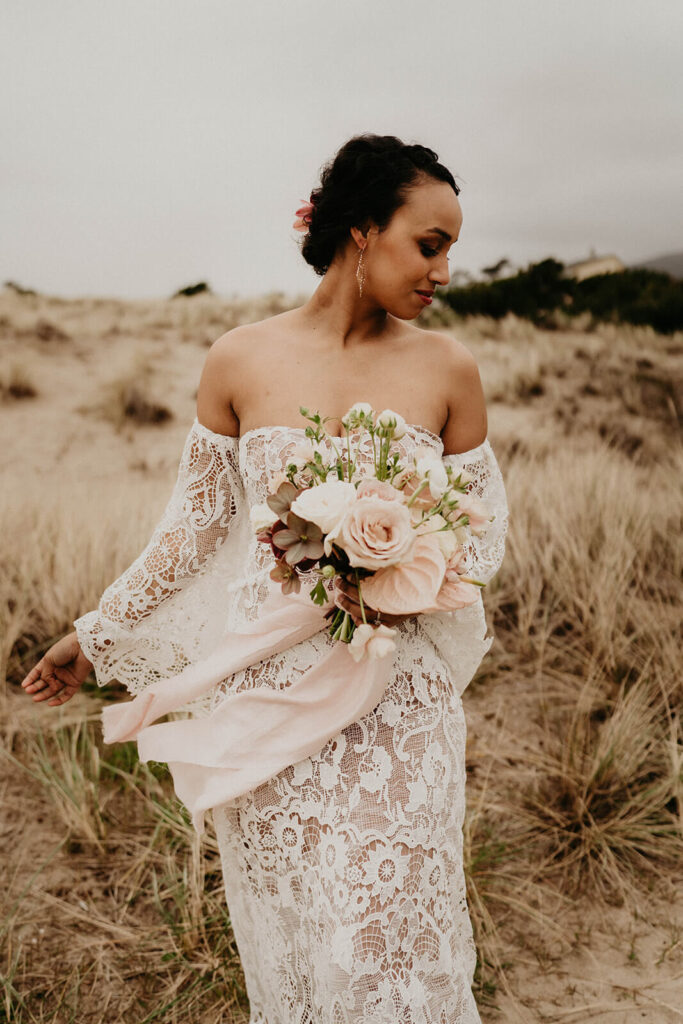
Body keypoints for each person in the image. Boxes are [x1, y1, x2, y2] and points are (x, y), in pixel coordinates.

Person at [21, 133, 508, 1023]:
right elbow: (192, 533)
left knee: (387, 937)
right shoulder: (239, 359)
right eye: (428, 244)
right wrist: (92, 638)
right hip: (267, 695)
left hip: (393, 700)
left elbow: (479, 543)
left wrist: (388, 561)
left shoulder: (448, 369)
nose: (444, 270)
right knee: (304, 932)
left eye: (451, 250)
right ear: (361, 230)